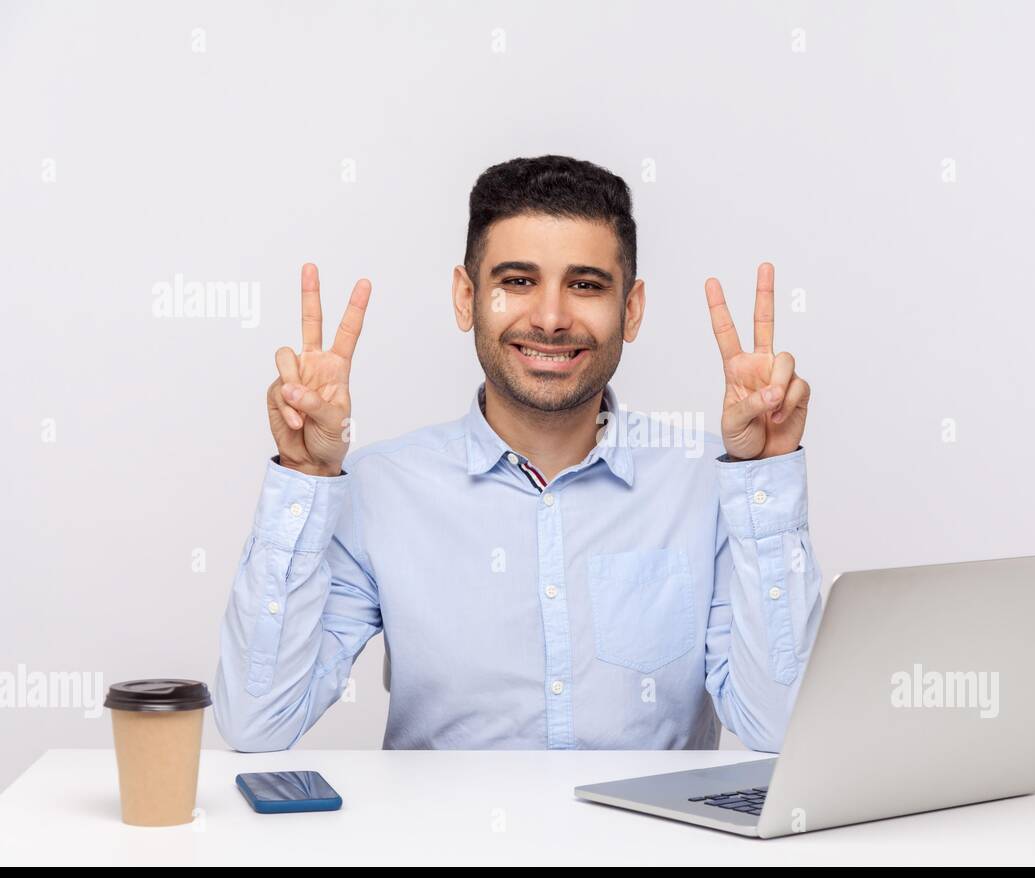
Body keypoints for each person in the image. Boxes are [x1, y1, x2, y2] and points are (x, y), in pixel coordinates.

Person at [213, 155, 822, 753]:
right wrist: (306, 475)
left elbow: (780, 725)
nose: (551, 319)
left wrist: (763, 478)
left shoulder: (712, 484)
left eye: (585, 285)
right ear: (465, 297)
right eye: (517, 282)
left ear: (630, 309)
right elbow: (259, 721)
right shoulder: (379, 487)